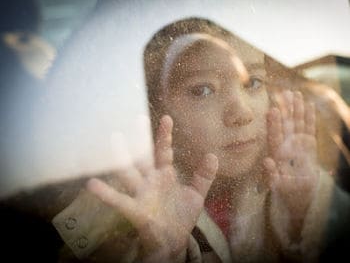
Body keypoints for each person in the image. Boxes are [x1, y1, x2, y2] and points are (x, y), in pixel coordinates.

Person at [50, 17, 350, 263]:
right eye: (202, 90)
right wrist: (157, 253)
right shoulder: (125, 201)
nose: (242, 114)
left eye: (254, 83)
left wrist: (304, 204)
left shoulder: (284, 172)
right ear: (154, 108)